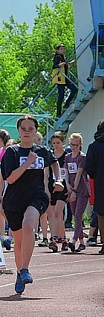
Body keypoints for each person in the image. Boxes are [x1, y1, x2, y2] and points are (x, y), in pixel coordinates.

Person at [1, 114, 65, 294]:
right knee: (19, 240)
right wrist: (28, 162)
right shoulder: (12, 152)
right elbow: (11, 178)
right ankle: (20, 272)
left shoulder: (42, 151)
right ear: (19, 131)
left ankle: (25, 269)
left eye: (31, 129)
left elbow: (54, 164)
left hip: (36, 196)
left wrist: (58, 179)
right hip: (14, 200)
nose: (27, 132)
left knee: (29, 225)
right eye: (24, 129)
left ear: (36, 130)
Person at [65, 132, 90, 252]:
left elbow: (79, 174)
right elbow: (66, 173)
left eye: (76, 144)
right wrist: (68, 186)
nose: (74, 147)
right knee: (75, 215)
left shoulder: (82, 157)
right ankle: (81, 242)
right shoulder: (67, 157)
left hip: (82, 189)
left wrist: (74, 190)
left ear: (80, 144)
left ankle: (73, 240)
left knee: (78, 215)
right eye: (72, 144)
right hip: (71, 188)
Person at [46, 131, 70, 252]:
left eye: (58, 143)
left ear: (63, 143)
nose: (56, 145)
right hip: (52, 186)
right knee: (57, 215)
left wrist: (71, 188)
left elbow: (69, 173)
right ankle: (64, 238)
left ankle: (54, 238)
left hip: (64, 187)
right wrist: (47, 189)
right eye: (54, 143)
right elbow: (46, 173)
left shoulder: (67, 156)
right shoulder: (50, 155)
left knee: (57, 212)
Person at [83, 118, 104, 254]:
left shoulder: (93, 146)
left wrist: (96, 174)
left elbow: (88, 167)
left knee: (101, 213)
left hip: (100, 182)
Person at [53, 43, 78, 118]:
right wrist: (60, 65)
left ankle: (66, 104)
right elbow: (54, 66)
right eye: (61, 49)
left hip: (65, 78)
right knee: (61, 96)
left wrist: (71, 63)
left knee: (74, 89)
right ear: (57, 50)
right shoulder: (57, 57)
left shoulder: (63, 57)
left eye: (64, 49)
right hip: (60, 78)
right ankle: (58, 114)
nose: (63, 50)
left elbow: (66, 66)